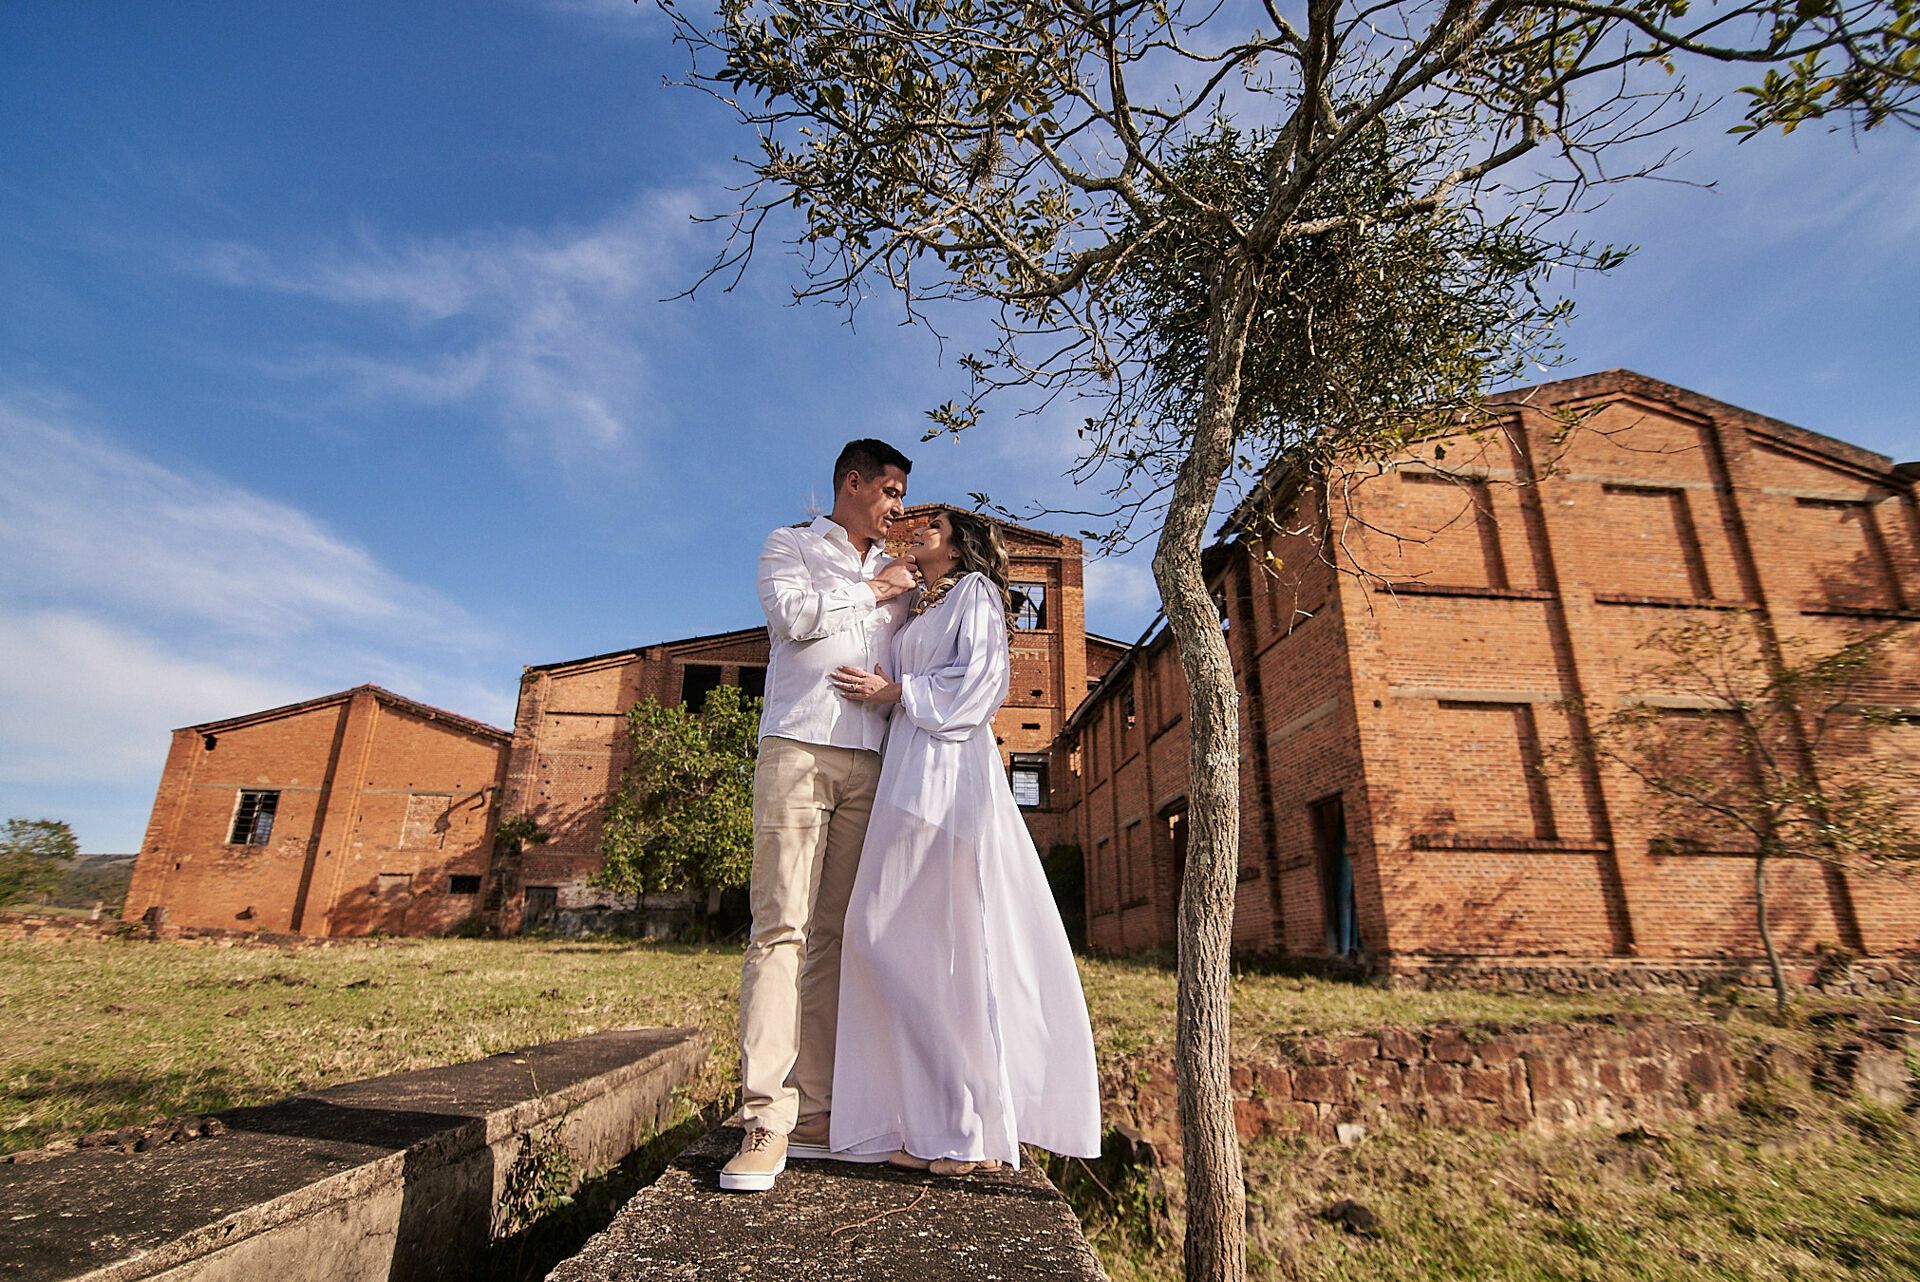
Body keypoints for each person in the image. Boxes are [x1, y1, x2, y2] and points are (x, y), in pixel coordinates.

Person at [826, 508, 1101, 1173]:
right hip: (905, 770)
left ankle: (965, 1125)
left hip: (946, 778)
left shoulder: (977, 593)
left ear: (961, 546)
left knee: (899, 933)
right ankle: (937, 1122)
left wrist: (892, 689)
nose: (918, 531)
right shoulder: (924, 605)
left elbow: (981, 687)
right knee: (903, 941)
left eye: (933, 530)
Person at [720, 439, 919, 1193]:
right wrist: (872, 593)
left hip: (872, 762)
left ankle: (820, 1115)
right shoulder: (791, 546)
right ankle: (765, 1117)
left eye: (903, 495)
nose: (898, 507)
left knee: (836, 938)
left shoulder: (903, 578)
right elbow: (796, 619)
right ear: (854, 482)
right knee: (780, 929)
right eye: (891, 489)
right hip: (798, 749)